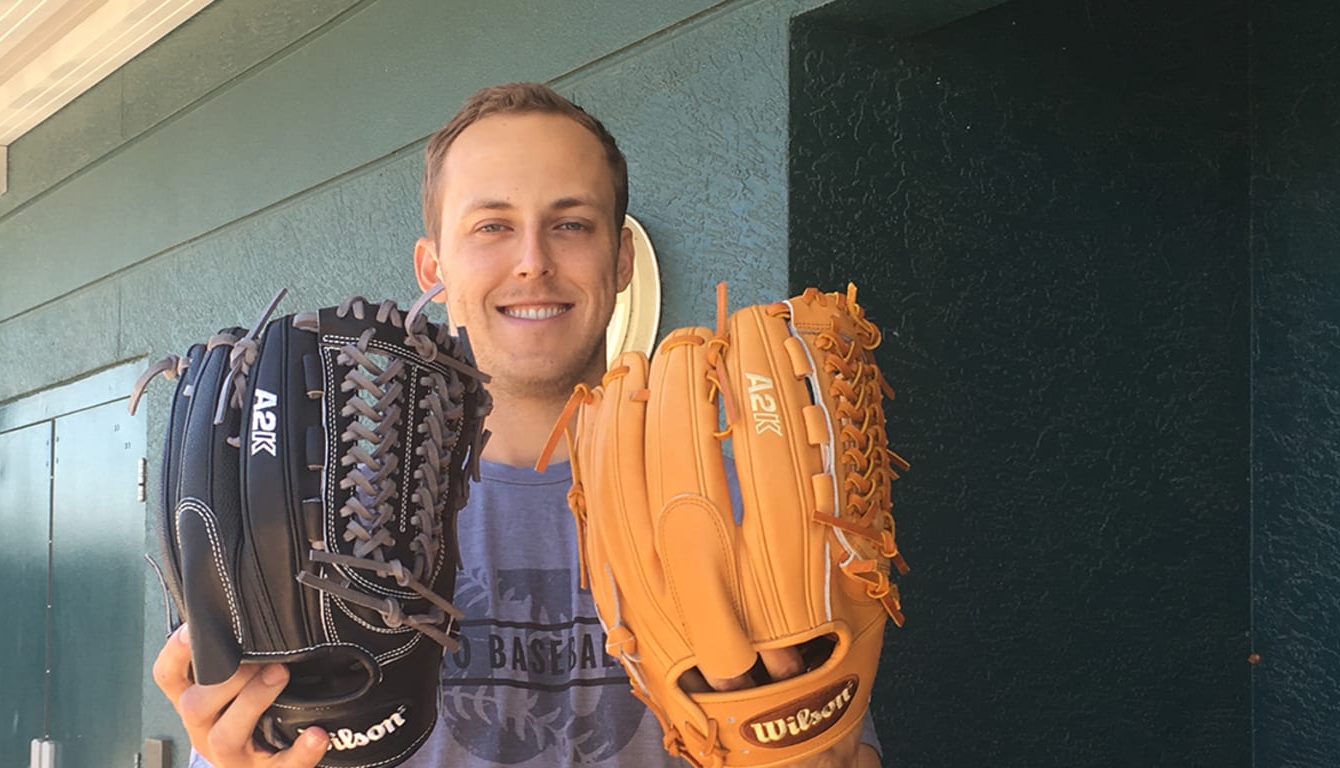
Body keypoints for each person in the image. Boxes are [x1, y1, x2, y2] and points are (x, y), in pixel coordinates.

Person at [153, 82, 884, 768]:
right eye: (492, 226)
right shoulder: (315, 518)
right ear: (431, 265)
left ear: (621, 258)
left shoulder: (750, 496)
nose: (533, 262)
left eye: (570, 224)